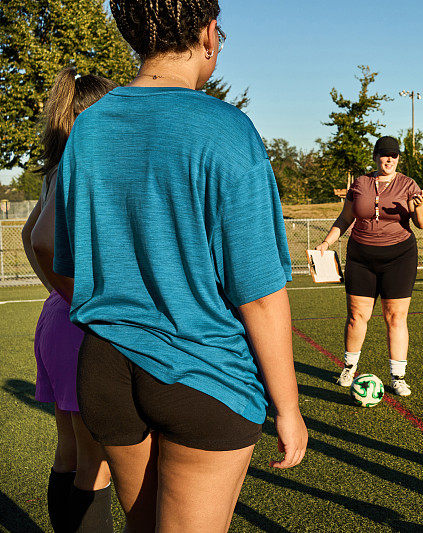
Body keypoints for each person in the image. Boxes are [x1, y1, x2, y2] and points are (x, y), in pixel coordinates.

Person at [52, 1, 308, 531]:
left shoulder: (89, 127)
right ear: (209, 33)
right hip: (203, 371)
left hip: (105, 370)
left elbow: (67, 260)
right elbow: (258, 292)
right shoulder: (227, 130)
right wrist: (288, 406)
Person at [22, 66, 116, 533]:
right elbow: (40, 240)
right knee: (94, 466)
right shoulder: (80, 167)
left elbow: (27, 235)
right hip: (80, 325)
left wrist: (60, 298)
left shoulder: (56, 166)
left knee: (70, 452)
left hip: (58, 320)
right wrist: (81, 300)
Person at [317, 136, 423, 396]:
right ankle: (349, 367)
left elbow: (422, 223)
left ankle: (398, 377)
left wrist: (419, 208)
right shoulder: (360, 183)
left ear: (399, 158)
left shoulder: (408, 184)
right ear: (375, 156)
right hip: (361, 257)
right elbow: (345, 218)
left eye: (393, 155)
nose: (388, 159)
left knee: (396, 317)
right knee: (357, 317)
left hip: (399, 257)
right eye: (384, 154)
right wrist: (326, 242)